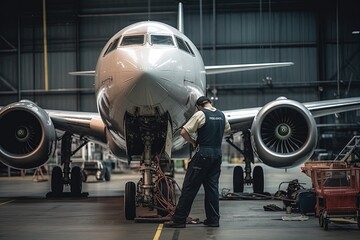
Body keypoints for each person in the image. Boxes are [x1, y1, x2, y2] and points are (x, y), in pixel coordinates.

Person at [164, 96, 231, 228]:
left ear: (199, 106)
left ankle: (179, 220)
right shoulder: (221, 115)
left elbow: (184, 132)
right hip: (217, 155)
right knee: (212, 188)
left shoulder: (200, 114)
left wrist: (193, 142)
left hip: (203, 154)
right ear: (210, 103)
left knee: (190, 187)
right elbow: (227, 131)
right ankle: (213, 220)